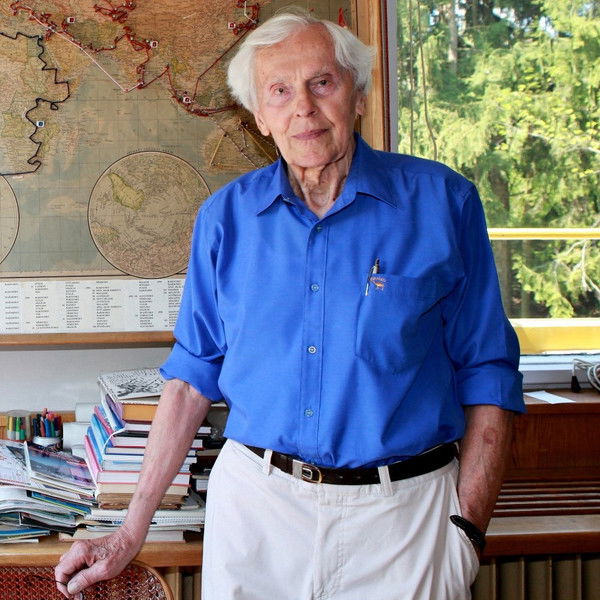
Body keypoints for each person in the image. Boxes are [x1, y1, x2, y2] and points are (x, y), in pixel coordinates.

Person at [56, 9, 524, 600]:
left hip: (405, 522)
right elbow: (191, 379)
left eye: (321, 82)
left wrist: (467, 531)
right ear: (259, 117)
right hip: (257, 515)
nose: (303, 107)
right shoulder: (225, 219)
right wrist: (131, 528)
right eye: (279, 91)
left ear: (357, 94)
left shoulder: (443, 202)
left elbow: (489, 371)